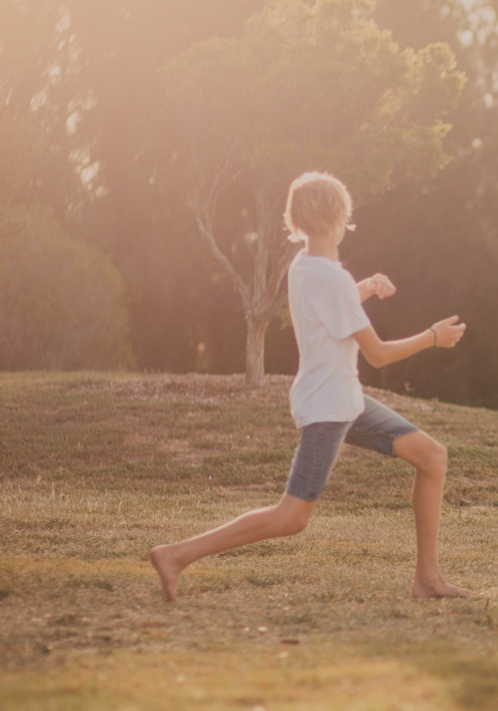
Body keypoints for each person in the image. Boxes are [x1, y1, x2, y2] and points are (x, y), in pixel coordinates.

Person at [150, 171, 471, 602]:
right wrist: (432, 337)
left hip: (344, 399)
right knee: (292, 516)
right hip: (328, 407)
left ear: (297, 219)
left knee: (431, 457)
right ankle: (176, 555)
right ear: (339, 216)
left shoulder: (304, 267)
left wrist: (368, 287)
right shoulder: (331, 277)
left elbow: (333, 304)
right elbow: (378, 354)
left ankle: (427, 579)